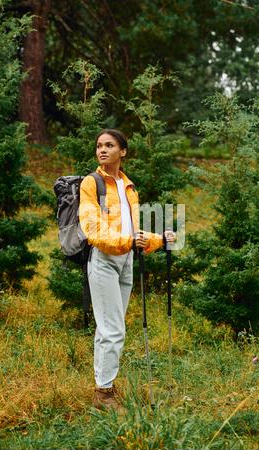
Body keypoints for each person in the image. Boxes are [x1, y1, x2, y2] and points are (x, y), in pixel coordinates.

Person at [79, 129, 175, 412]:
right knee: (113, 329)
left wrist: (160, 240)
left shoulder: (129, 187)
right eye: (99, 146)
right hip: (103, 259)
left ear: (123, 152)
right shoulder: (91, 183)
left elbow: (132, 231)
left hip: (126, 263)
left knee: (109, 328)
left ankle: (103, 384)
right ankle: (104, 394)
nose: (102, 150)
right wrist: (129, 242)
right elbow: (93, 230)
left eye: (109, 145)